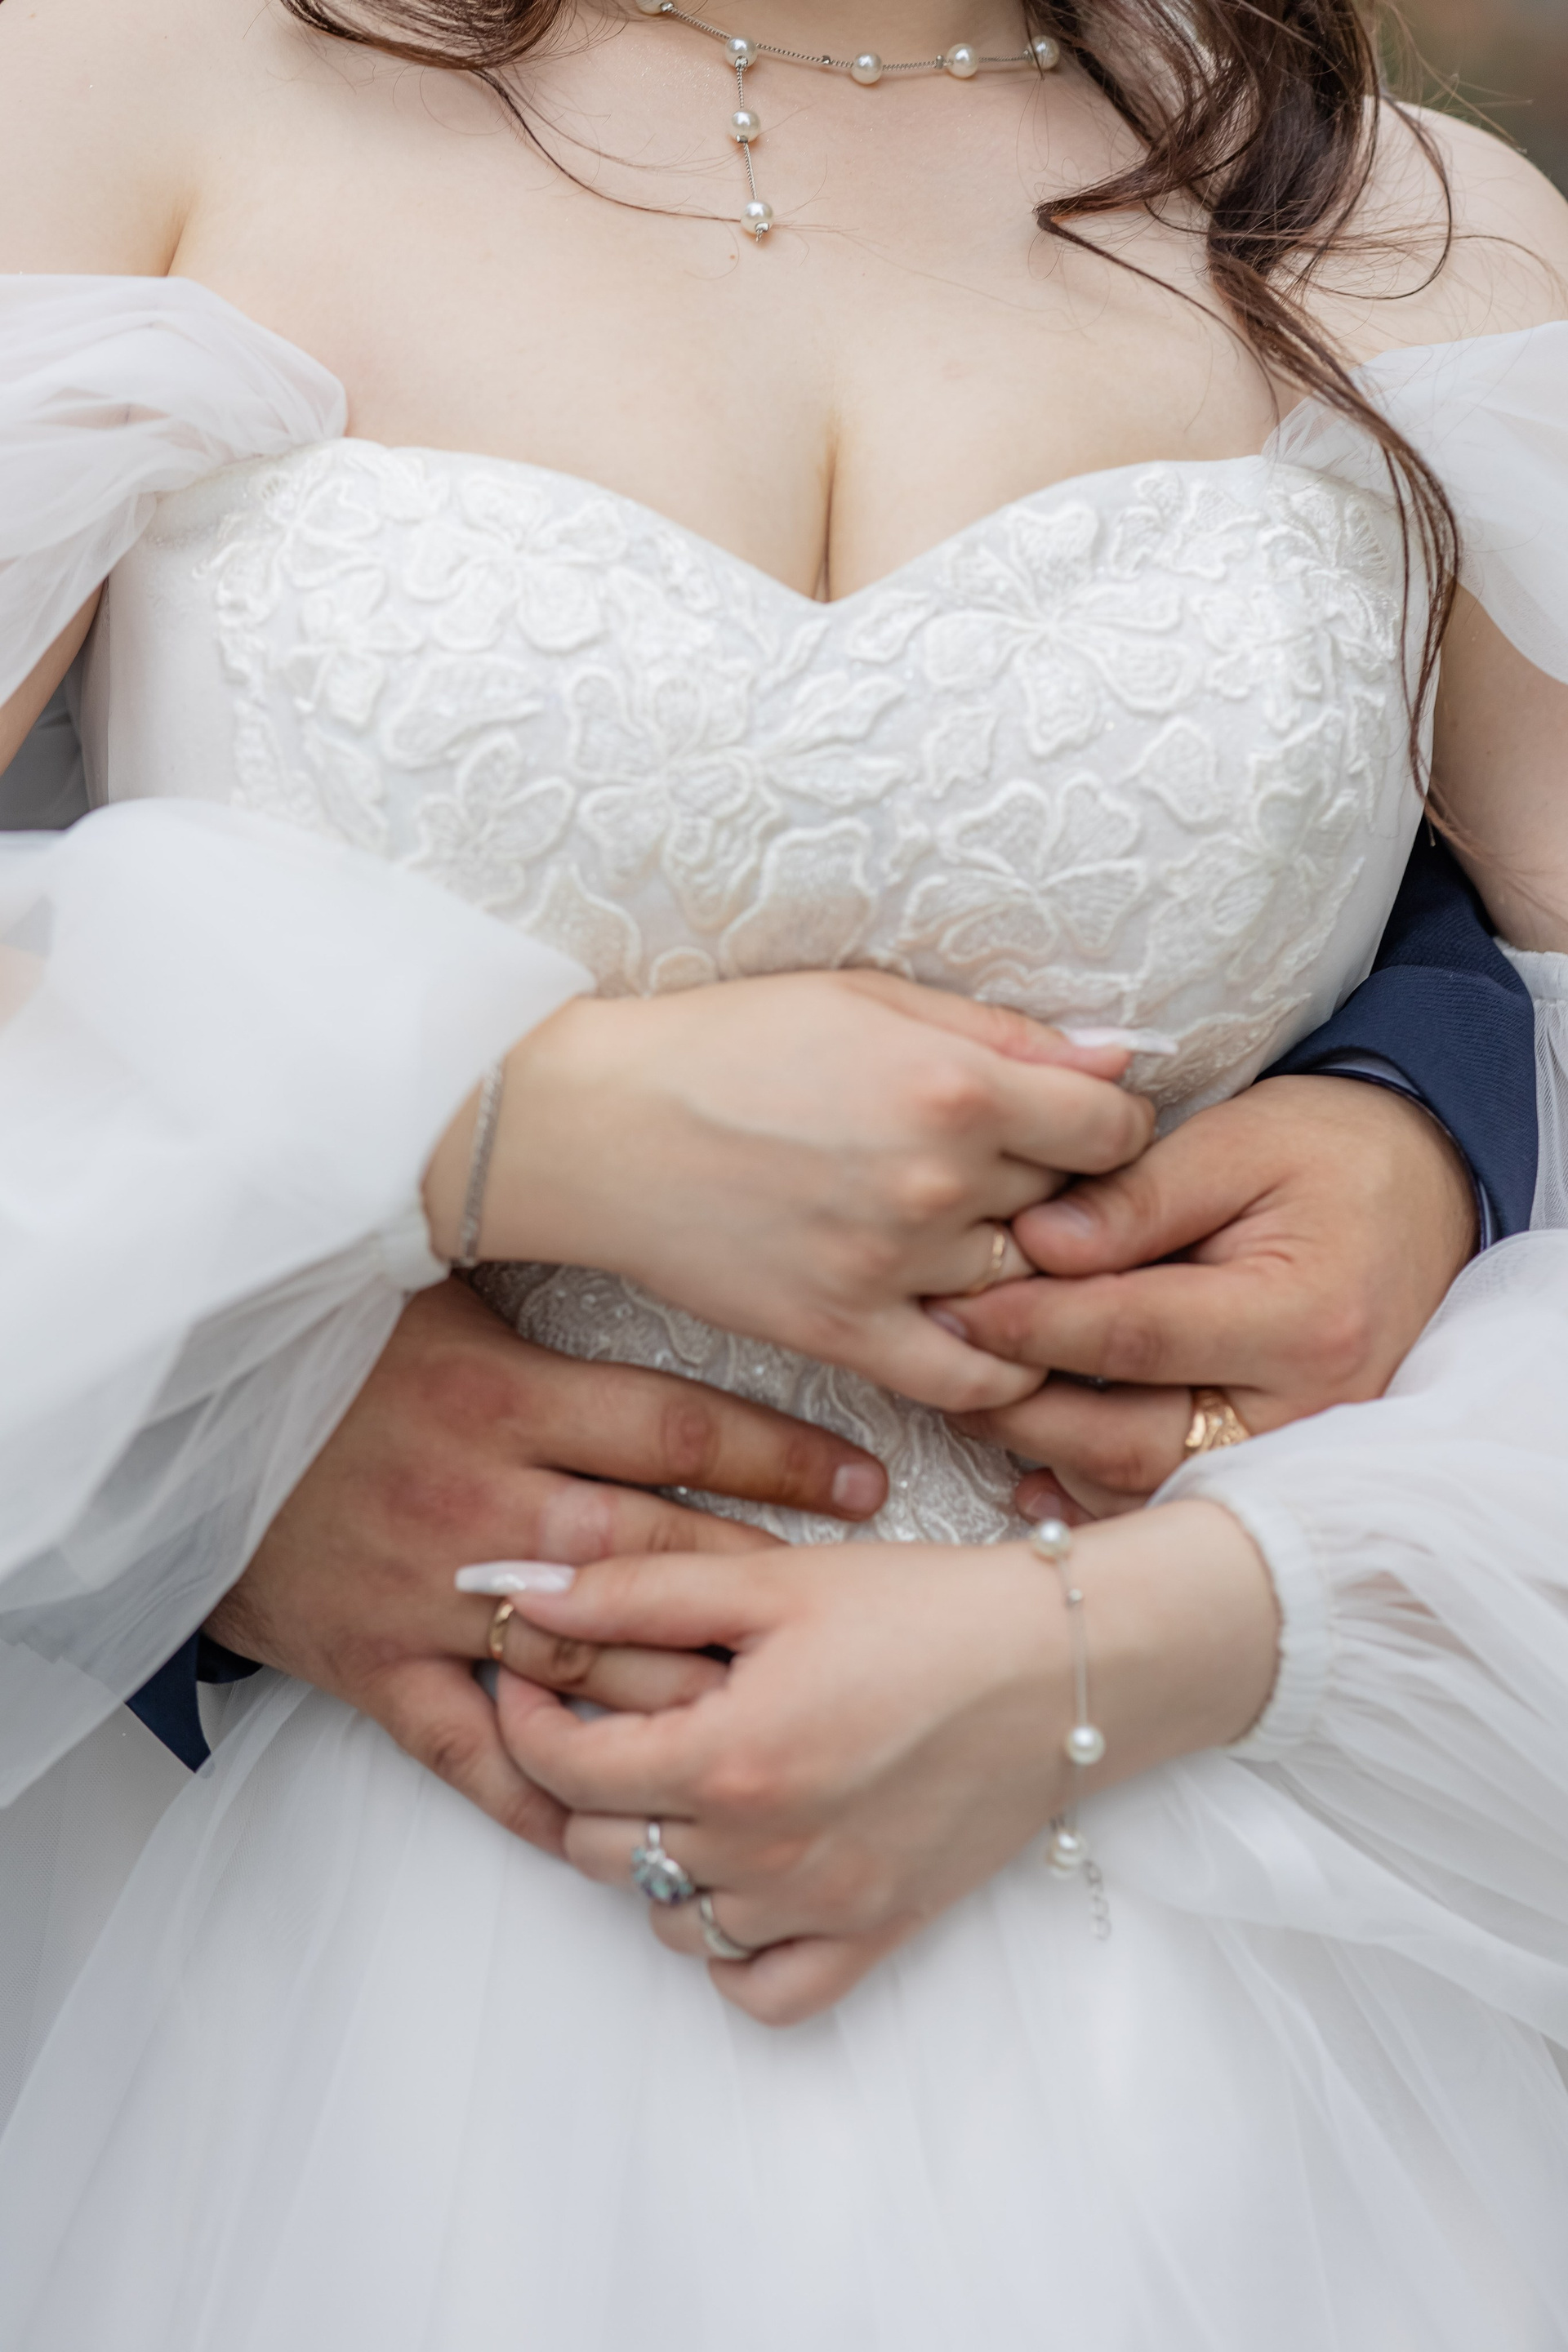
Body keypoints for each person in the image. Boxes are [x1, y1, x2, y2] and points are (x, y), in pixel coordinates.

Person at [1, 0, 1567, 2342]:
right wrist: (452, 1165)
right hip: (337, 1994)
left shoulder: (1419, 247)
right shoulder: (125, 93)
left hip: (1239, 2006)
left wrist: (1166, 1629)